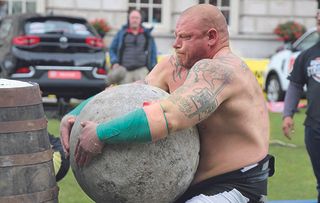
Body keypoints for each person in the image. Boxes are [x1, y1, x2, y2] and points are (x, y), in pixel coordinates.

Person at [61, 4, 273, 202]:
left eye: (185, 37)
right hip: (186, 184)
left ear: (211, 37)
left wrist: (101, 133)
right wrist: (74, 115)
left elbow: (169, 117)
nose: (176, 44)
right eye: (176, 36)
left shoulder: (221, 71)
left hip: (237, 185)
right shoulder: (175, 64)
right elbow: (128, 94)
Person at [282, 11, 320, 202]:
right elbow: (295, 85)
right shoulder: (307, 56)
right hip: (315, 128)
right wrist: (287, 115)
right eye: (319, 22)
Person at [108, 9, 157, 84]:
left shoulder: (146, 34)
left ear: (140, 20)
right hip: (125, 70)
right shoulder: (121, 34)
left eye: (137, 18)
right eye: (133, 18)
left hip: (142, 70)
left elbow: (153, 52)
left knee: (144, 93)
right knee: (124, 94)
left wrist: (153, 69)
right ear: (129, 19)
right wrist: (114, 62)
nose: (135, 20)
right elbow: (112, 49)